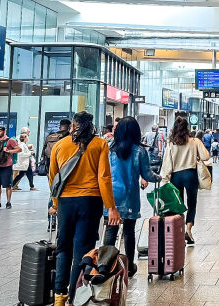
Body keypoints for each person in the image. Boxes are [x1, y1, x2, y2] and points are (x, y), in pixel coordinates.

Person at [49, 111, 120, 306]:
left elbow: (53, 178)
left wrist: (55, 203)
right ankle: (74, 297)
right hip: (90, 202)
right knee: (83, 250)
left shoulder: (59, 146)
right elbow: (104, 178)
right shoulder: (100, 144)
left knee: (63, 248)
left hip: (66, 202)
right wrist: (110, 207)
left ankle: (59, 296)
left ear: (73, 126)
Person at [104, 116, 161, 277]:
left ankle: (106, 265)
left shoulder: (109, 149)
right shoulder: (139, 151)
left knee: (111, 229)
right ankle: (129, 266)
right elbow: (148, 175)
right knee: (129, 231)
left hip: (111, 195)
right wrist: (159, 177)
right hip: (130, 195)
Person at [160, 116, 210, 246]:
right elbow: (206, 156)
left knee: (178, 205)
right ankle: (189, 229)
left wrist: (165, 179)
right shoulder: (194, 141)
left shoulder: (171, 143)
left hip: (175, 176)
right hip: (190, 174)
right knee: (192, 203)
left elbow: (167, 163)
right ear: (187, 127)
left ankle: (180, 231)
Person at [0, 126, 21, 210]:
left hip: (6, 165)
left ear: (4, 131)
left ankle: (8, 201)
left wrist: (9, 151)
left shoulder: (10, 140)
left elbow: (19, 149)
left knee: (8, 185)